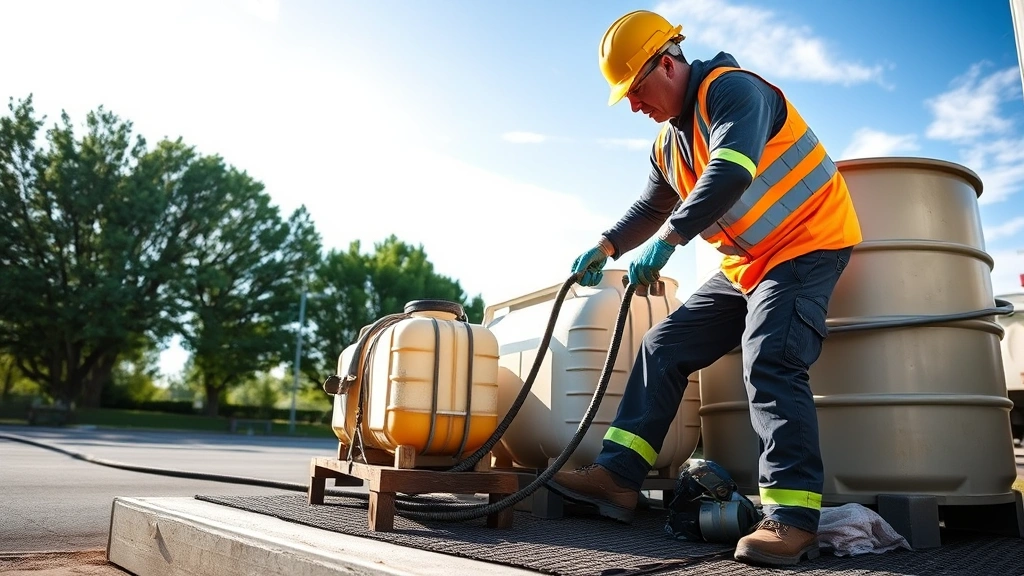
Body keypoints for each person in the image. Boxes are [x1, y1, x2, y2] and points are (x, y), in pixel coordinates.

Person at [547, 10, 862, 568]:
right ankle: (618, 477)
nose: (635, 106)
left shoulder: (735, 91)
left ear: (667, 65)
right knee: (662, 346)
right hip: (750, 264)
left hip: (808, 243)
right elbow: (650, 206)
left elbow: (732, 170)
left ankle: (792, 519)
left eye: (637, 90)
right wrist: (605, 247)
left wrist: (668, 243)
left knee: (771, 359)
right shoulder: (667, 144)